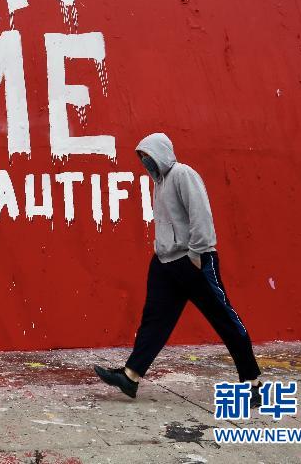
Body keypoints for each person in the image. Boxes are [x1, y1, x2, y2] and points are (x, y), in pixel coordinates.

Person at [94, 132, 262, 406]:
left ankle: (252, 382)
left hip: (193, 260)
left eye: (147, 156)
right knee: (154, 321)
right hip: (166, 263)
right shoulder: (159, 183)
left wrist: (196, 253)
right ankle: (130, 376)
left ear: (160, 153)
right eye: (142, 157)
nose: (145, 161)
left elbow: (201, 215)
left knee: (224, 319)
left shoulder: (183, 174)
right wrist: (161, 253)